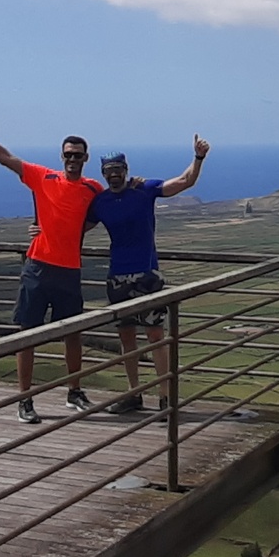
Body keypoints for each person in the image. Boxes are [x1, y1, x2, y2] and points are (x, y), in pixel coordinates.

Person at [0, 104, 101, 423]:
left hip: (70, 269)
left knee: (72, 333)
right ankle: (25, 399)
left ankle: (74, 392)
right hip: (38, 266)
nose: (73, 159)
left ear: (86, 159)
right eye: (68, 154)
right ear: (62, 157)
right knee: (27, 333)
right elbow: (5, 157)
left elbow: (105, 212)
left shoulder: (93, 189)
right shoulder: (42, 177)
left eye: (78, 155)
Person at [88, 136, 209, 412]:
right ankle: (134, 393)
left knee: (155, 336)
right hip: (117, 276)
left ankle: (166, 397)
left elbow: (184, 182)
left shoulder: (145, 190)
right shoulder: (100, 202)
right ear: (103, 173)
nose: (114, 174)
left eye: (118, 169)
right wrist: (40, 230)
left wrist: (198, 158)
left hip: (147, 274)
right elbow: (76, 227)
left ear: (126, 169)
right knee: (127, 338)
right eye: (109, 170)